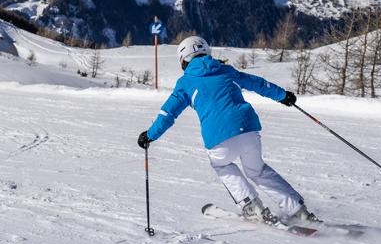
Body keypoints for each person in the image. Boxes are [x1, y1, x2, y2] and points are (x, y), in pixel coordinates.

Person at [136, 35, 319, 226]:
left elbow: (167, 114)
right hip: (248, 129)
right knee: (257, 170)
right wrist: (282, 95)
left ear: (183, 60)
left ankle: (252, 207)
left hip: (219, 138)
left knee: (221, 165)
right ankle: (298, 210)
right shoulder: (226, 70)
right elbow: (257, 83)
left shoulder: (185, 83)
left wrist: (150, 135)